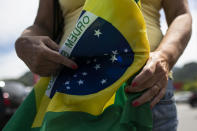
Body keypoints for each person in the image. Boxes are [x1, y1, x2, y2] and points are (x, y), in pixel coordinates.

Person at [15, 0, 192, 130]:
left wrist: (165, 57)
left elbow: (181, 13)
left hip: (145, 82)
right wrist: (24, 42)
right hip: (74, 87)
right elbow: (41, 24)